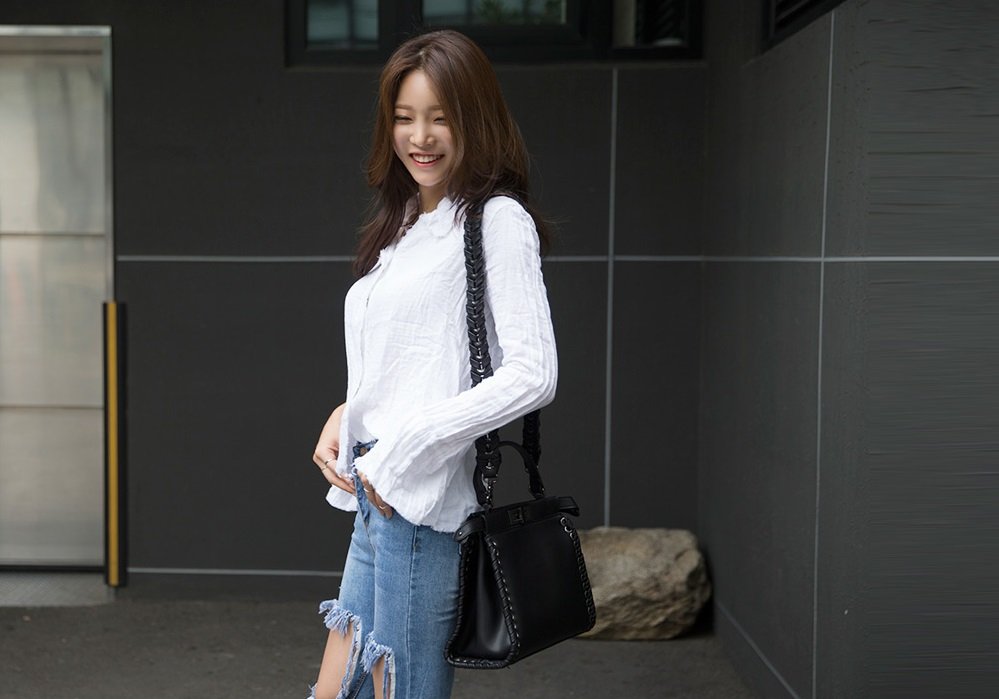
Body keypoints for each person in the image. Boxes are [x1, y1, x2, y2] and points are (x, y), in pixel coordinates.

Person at [307, 30, 558, 699]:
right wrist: (348, 414)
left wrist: (406, 445)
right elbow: (414, 359)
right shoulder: (405, 226)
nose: (420, 137)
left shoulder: (496, 220)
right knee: (335, 693)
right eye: (404, 117)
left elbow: (533, 372)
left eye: (440, 117)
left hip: (418, 508)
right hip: (375, 496)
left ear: (475, 120)